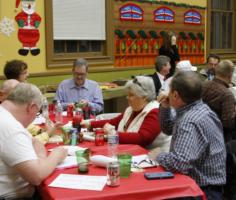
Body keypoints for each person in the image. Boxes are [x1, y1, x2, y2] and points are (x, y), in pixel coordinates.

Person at [0, 83, 67, 199]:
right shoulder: (10, 128)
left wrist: (40, 159)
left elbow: (34, 142)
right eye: (37, 112)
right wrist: (56, 156)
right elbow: (37, 176)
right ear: (31, 107)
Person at [153, 71, 226, 199]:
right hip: (207, 186)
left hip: (201, 191)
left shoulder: (189, 120)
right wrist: (165, 106)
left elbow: (180, 163)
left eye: (169, 90)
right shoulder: (199, 107)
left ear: (175, 95)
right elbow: (169, 129)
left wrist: (158, 155)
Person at [82, 76, 171, 152]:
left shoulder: (155, 111)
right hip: (132, 152)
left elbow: (142, 138)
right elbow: (114, 122)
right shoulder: (132, 109)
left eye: (131, 95)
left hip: (152, 159)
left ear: (144, 97)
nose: (127, 98)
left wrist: (114, 134)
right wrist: (89, 124)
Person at [202, 60, 236, 142]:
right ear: (230, 75)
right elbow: (228, 123)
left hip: (202, 131)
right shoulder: (226, 94)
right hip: (219, 137)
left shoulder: (204, 84)